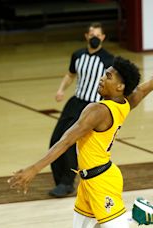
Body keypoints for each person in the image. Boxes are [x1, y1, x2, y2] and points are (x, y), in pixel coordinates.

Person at [8, 34, 153, 227]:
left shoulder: (97, 110)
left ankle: (139, 214)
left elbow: (66, 141)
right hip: (88, 181)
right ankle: (135, 214)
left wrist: (34, 169)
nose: (102, 78)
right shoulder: (126, 102)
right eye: (105, 74)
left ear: (120, 86)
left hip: (102, 181)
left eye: (108, 76)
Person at [49, 22, 115, 197]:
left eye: (98, 35)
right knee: (56, 139)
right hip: (75, 102)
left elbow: (114, 84)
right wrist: (61, 89)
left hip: (92, 107)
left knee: (71, 145)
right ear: (86, 36)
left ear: (103, 38)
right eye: (92, 34)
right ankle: (60, 181)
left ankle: (67, 182)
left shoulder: (108, 60)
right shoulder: (77, 55)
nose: (94, 37)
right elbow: (70, 74)